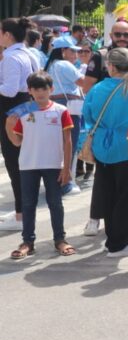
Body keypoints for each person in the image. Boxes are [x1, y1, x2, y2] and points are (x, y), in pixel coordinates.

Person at [82, 48, 128, 257]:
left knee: (108, 193)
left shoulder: (97, 88)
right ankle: (120, 243)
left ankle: (114, 238)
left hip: (102, 146)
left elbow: (87, 116)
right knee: (127, 196)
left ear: (110, 66)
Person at [5, 71, 75, 259]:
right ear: (29, 91)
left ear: (51, 89)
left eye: (43, 88)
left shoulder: (61, 110)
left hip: (53, 164)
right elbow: (17, 142)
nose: (40, 92)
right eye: (35, 89)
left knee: (55, 203)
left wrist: (66, 167)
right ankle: (27, 241)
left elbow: (68, 141)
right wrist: (8, 126)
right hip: (28, 164)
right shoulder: (23, 111)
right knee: (28, 204)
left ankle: (60, 239)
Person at [0, 17, 41, 232]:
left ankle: (21, 215)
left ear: (7, 34)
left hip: (12, 111)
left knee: (14, 163)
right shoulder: (29, 53)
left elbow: (9, 90)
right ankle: (23, 211)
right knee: (22, 162)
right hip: (27, 107)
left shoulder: (11, 57)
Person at [45, 38, 86, 196]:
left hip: (54, 106)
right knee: (70, 144)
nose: (76, 54)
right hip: (69, 107)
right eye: (72, 50)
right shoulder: (64, 65)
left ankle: (58, 181)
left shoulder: (51, 65)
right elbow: (84, 82)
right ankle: (65, 183)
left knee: (58, 146)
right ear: (63, 51)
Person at [80, 20, 128, 92]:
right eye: (118, 34)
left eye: (126, 35)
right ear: (111, 36)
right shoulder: (100, 56)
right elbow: (87, 87)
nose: (122, 38)